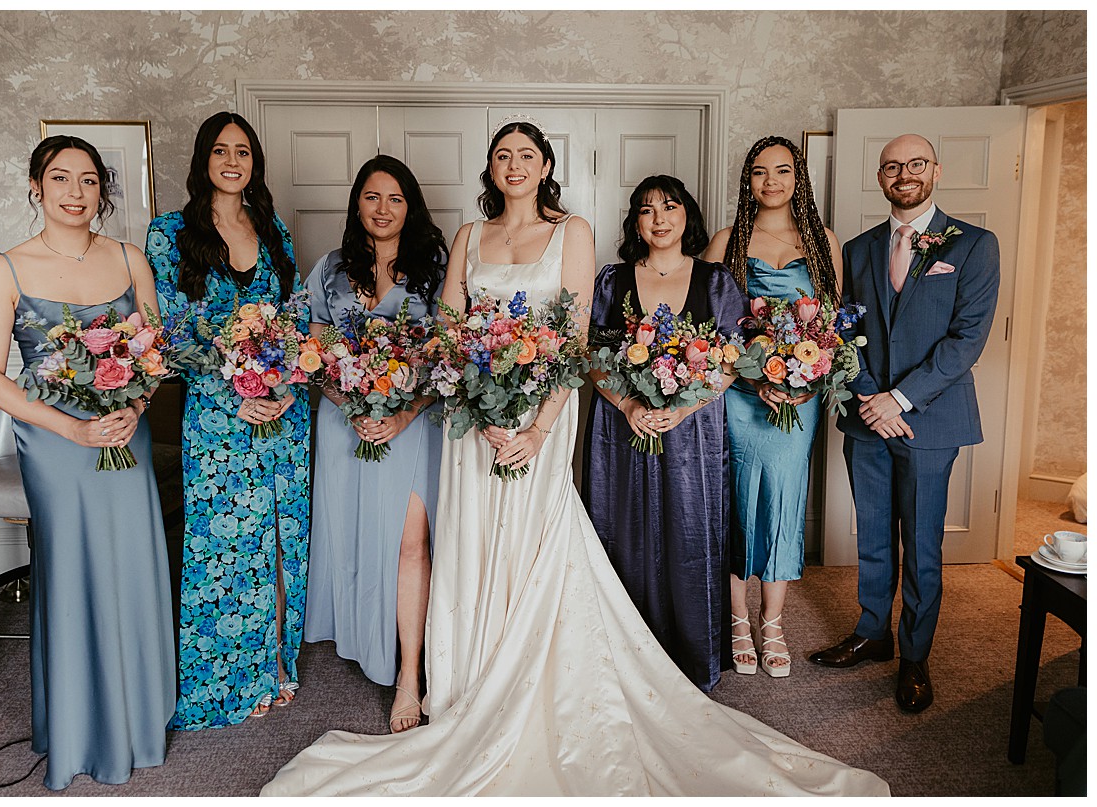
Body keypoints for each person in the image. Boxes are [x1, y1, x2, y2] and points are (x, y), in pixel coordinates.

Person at [260, 118, 889, 796]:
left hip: (542, 418)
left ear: (545, 166)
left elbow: (577, 336)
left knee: (533, 544)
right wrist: (476, 394)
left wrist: (537, 427)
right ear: (491, 169)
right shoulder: (469, 235)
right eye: (503, 155)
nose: (514, 165)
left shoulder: (574, 232)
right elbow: (446, 330)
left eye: (526, 155)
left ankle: (529, 672)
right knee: (472, 542)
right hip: (474, 422)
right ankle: (468, 675)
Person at [0, 136, 174, 789]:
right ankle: (82, 728)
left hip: (123, 432)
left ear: (102, 191)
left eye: (88, 180)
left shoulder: (129, 258)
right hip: (55, 443)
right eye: (60, 178)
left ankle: (138, 722)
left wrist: (135, 407)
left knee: (132, 564)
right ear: (36, 186)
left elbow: (154, 356)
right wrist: (72, 428)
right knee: (73, 571)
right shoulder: (4, 269)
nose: (75, 192)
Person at [808, 133, 1000, 713]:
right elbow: (844, 328)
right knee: (872, 535)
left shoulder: (974, 245)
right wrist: (871, 396)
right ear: (880, 177)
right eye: (893, 166)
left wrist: (901, 399)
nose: (905, 174)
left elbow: (967, 339)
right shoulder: (860, 248)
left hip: (930, 420)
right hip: (866, 417)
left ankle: (915, 655)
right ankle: (873, 632)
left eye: (916, 163)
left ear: (936, 171)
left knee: (920, 543)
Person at [148, 111, 311, 727]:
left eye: (243, 151)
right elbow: (172, 331)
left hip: (283, 414)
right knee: (226, 546)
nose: (233, 160)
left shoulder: (273, 230)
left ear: (255, 163)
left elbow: (295, 317)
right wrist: (232, 392)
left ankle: (275, 669)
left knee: (280, 538)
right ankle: (225, 683)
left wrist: (287, 385)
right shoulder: (169, 233)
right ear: (203, 160)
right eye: (221, 150)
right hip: (219, 418)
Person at [582, 175, 747, 692]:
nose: (659, 218)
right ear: (636, 222)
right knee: (623, 534)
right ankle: (622, 658)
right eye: (647, 209)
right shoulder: (612, 281)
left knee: (690, 533)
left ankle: (692, 656)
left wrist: (685, 407)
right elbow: (591, 354)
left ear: (686, 216)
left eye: (670, 207)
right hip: (621, 431)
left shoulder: (716, 282)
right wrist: (629, 403)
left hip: (692, 435)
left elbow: (735, 358)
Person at [303, 154, 446, 732]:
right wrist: (350, 405)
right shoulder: (331, 269)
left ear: (411, 207)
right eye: (371, 196)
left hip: (413, 424)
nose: (383, 209)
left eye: (395, 198)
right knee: (357, 533)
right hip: (345, 423)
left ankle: (409, 676)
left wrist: (403, 413)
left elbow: (449, 356)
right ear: (356, 203)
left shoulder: (435, 268)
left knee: (410, 543)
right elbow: (311, 354)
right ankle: (367, 643)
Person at [704, 136, 842, 678]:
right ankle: (738, 619)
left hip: (799, 399)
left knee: (784, 501)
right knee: (738, 501)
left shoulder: (823, 241)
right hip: (740, 397)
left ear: (798, 178)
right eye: (760, 172)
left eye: (782, 171)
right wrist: (751, 373)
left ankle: (774, 623)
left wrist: (808, 378)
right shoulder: (728, 240)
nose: (771, 181)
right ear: (748, 181)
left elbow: (832, 324)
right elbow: (706, 323)